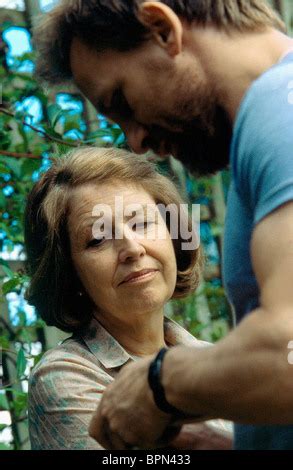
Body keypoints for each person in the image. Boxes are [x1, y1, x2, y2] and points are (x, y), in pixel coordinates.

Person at [32, 0, 293, 450]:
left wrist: (158, 384)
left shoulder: (278, 117)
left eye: (122, 101)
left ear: (161, 28)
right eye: (97, 238)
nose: (138, 142)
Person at [25, 146, 232, 450]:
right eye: (97, 239)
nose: (132, 248)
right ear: (69, 273)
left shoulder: (215, 359)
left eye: (142, 223)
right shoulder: (63, 378)